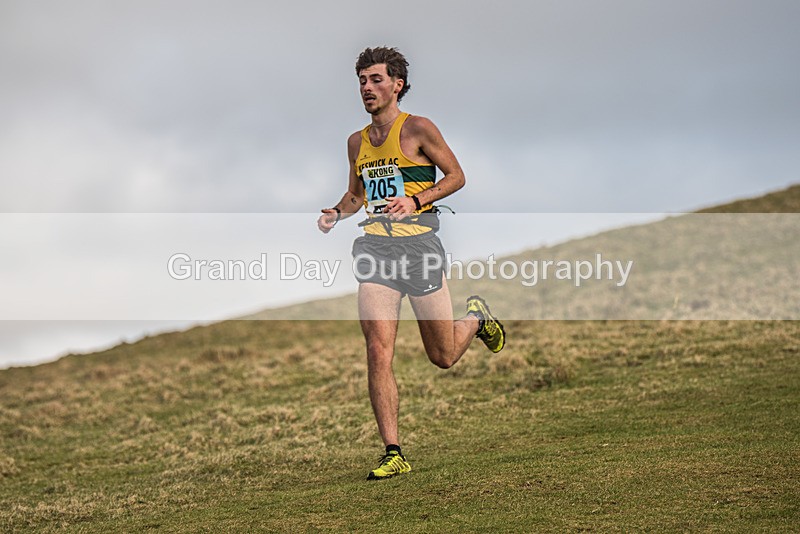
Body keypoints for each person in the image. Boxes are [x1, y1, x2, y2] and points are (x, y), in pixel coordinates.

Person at [317, 46, 505, 480]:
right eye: (362, 80)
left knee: (441, 355)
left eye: (376, 79)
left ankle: (476, 319)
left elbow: (456, 177)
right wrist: (335, 212)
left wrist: (416, 199)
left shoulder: (418, 128)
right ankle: (393, 451)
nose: (367, 87)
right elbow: (357, 195)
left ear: (397, 84)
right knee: (377, 348)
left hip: (420, 249)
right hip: (376, 251)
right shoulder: (356, 143)